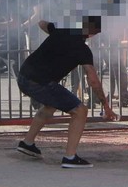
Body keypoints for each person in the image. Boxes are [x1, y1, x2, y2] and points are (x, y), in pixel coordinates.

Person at [15, 17, 118, 168]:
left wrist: (53, 28)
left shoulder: (60, 30)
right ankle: (70, 157)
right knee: (80, 111)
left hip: (24, 76)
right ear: (92, 34)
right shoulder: (82, 50)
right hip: (39, 82)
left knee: (51, 105)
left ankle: (27, 143)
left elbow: (42, 23)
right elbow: (93, 81)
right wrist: (106, 106)